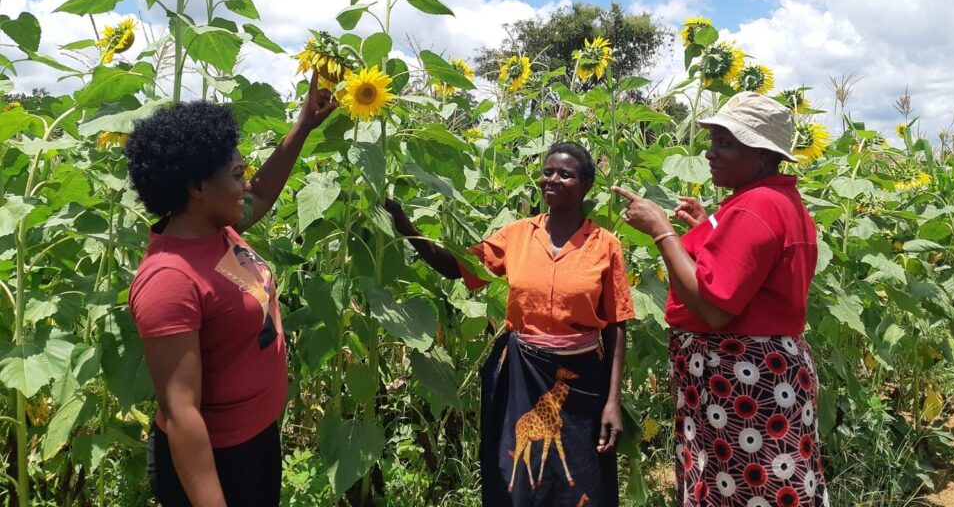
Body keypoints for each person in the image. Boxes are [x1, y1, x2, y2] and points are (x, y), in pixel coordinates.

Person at [125, 73, 337, 506]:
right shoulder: (170, 279)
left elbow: (259, 196)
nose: (245, 183)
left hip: (255, 442)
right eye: (237, 174)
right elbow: (181, 413)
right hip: (215, 462)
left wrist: (303, 126)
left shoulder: (218, 231)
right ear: (197, 187)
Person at [385, 142, 635, 506]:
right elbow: (456, 268)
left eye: (565, 174)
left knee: (581, 478)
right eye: (548, 171)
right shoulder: (517, 235)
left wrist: (613, 401)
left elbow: (616, 324)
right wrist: (403, 222)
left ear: (585, 184)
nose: (552, 179)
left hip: (581, 380)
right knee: (517, 475)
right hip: (522, 374)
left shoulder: (604, 245)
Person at [612, 92, 830, 506]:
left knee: (744, 487)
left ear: (763, 155)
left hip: (743, 378)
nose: (710, 153)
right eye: (713, 141)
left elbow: (713, 307)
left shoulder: (755, 207)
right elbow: (748, 273)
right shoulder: (774, 200)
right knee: (762, 483)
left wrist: (662, 231)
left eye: (725, 143)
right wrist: (704, 228)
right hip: (762, 374)